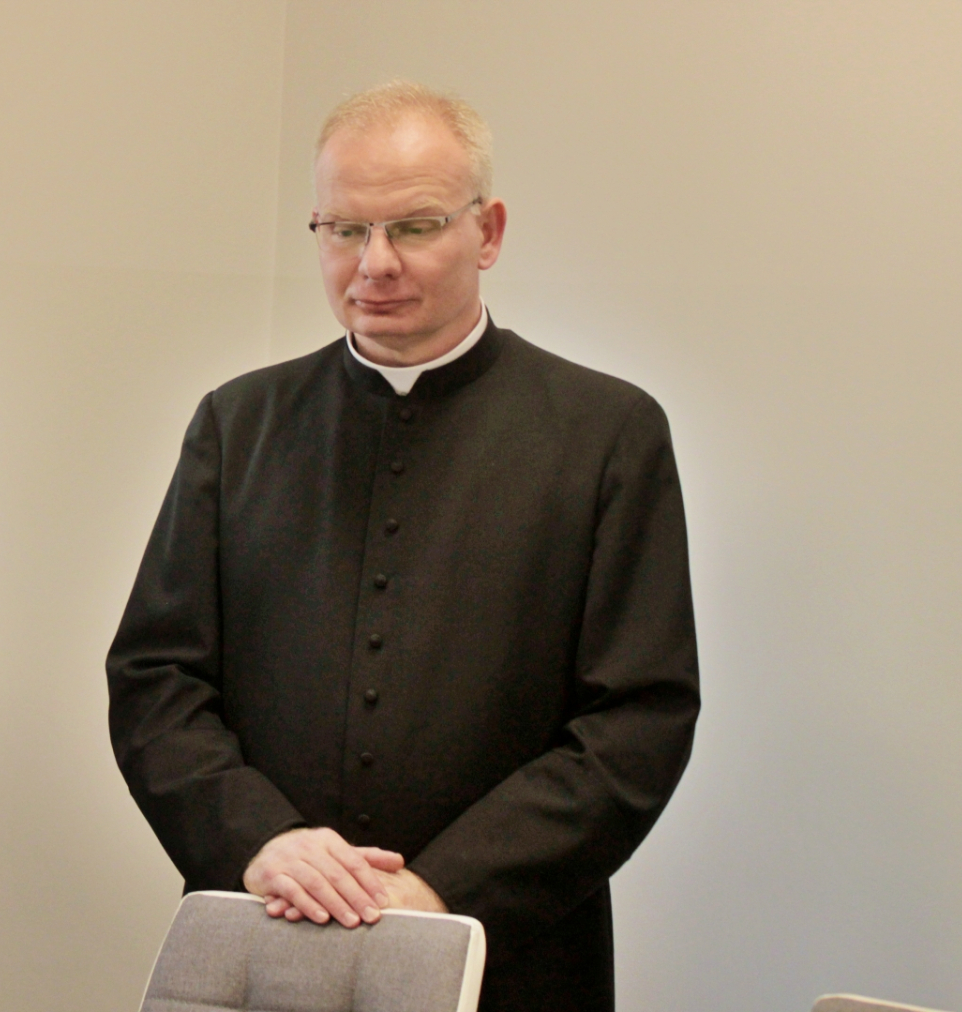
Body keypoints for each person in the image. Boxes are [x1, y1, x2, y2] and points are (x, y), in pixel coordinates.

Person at [106, 81, 698, 1011]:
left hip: (512, 953)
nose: (373, 263)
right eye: (343, 229)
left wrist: (441, 890)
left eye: (415, 227)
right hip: (274, 930)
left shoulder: (606, 434)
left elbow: (636, 723)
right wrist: (261, 841)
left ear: (488, 232)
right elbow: (156, 681)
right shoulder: (238, 423)